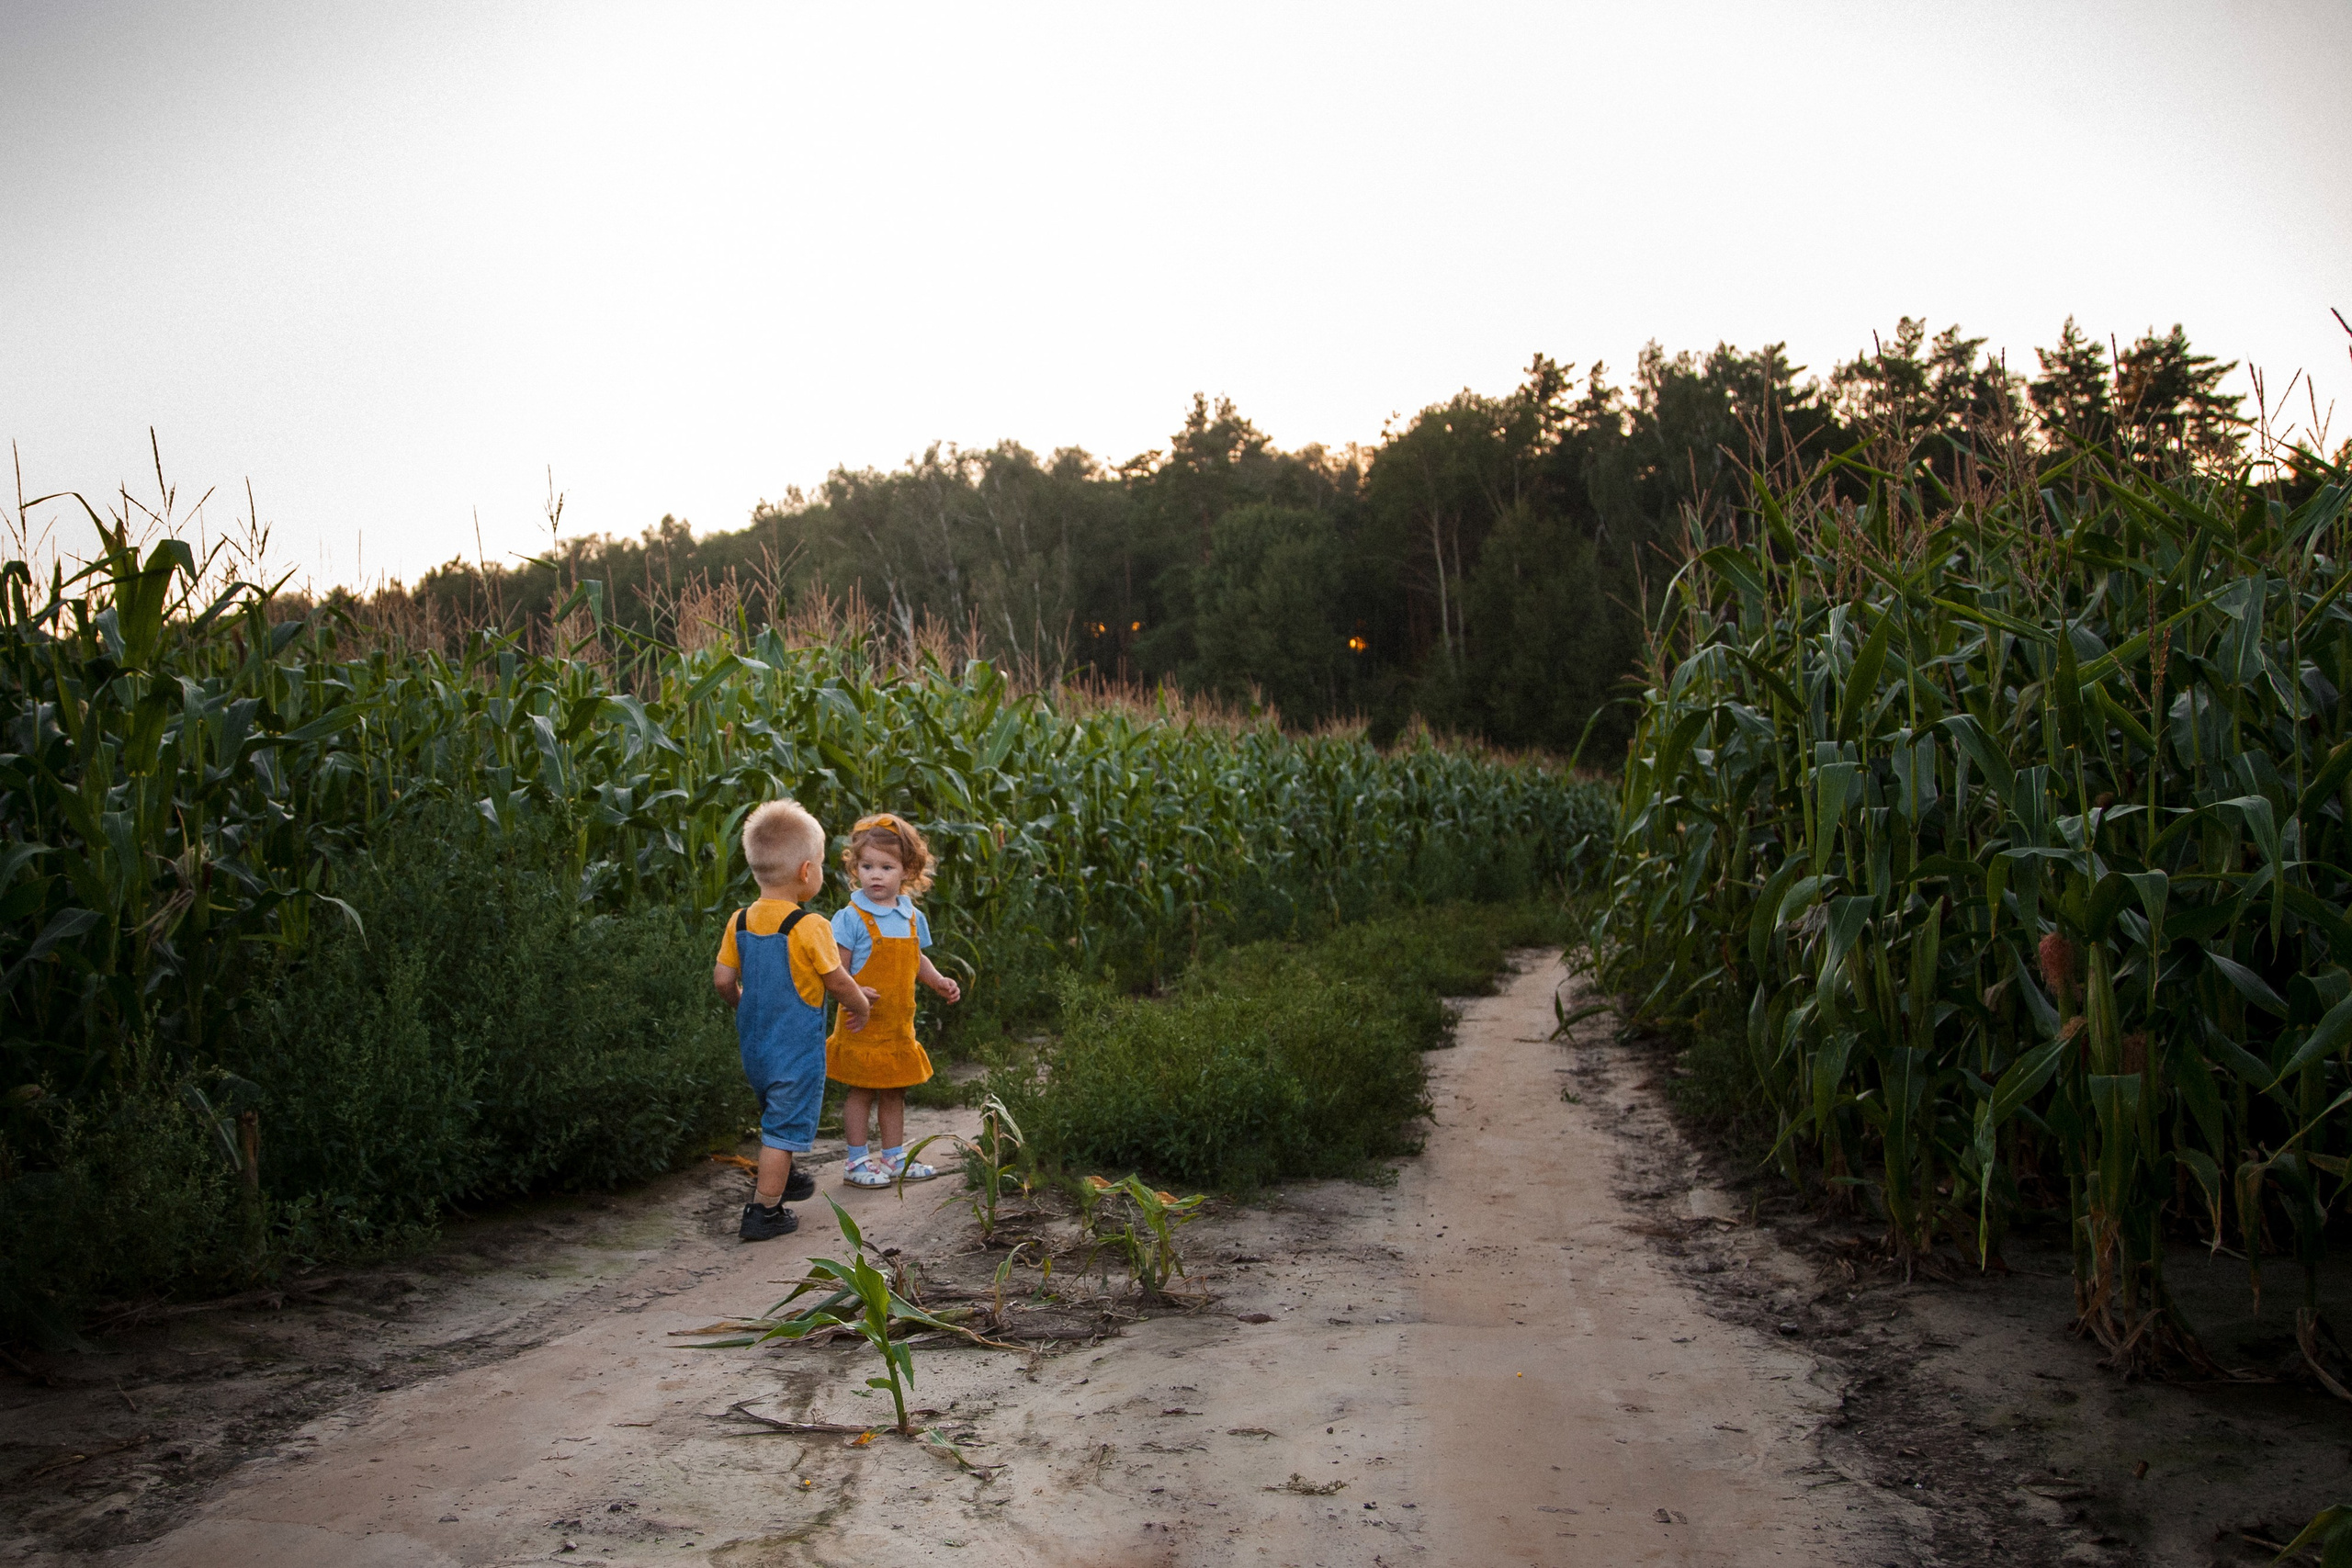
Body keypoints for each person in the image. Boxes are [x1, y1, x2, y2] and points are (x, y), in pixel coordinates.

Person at [714, 799, 876, 1240]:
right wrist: (860, 1004)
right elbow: (839, 983)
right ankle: (763, 1212)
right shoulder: (810, 927)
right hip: (796, 1052)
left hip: (755, 1047)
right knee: (783, 1130)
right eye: (822, 864)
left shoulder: (740, 920)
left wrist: (741, 1002)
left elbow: (723, 980)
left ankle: (783, 1178)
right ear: (807, 872)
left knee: (774, 1116)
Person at [827, 812, 964, 1189]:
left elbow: (916, 957)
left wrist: (937, 981)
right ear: (855, 868)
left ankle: (893, 1157)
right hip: (862, 1020)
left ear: (907, 871)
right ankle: (856, 1161)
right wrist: (855, 990)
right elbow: (837, 969)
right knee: (861, 1090)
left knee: (894, 1090)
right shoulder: (850, 917)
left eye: (886, 867)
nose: (875, 874)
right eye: (867, 865)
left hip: (897, 1023)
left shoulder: (911, 916)